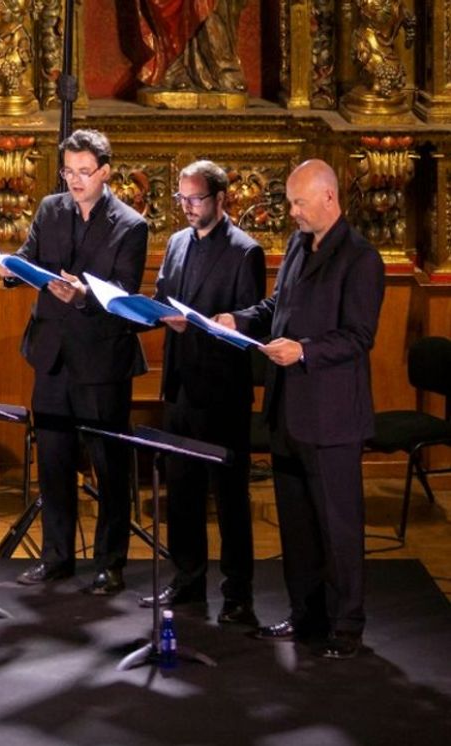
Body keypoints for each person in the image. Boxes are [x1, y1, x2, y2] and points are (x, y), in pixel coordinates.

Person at [216, 159, 385, 659]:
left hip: (332, 417)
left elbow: (359, 337)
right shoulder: (295, 244)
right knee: (297, 525)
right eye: (290, 202)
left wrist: (304, 351)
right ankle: (306, 614)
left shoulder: (360, 259)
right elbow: (277, 309)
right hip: (288, 409)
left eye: (299, 202)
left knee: (337, 526)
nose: (291, 212)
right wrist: (239, 320)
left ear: (329, 198)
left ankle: (346, 626)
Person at [0, 129, 149, 594]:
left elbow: (123, 294)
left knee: (109, 465)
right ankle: (56, 557)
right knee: (55, 463)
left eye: (84, 172)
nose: (75, 180)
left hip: (101, 360)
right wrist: (10, 268)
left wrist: (82, 296)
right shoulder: (51, 208)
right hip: (52, 356)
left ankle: (110, 563)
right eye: (68, 171)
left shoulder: (130, 225)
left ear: (104, 172)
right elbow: (29, 256)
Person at [145, 160, 264, 624]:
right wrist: (154, 313)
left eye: (196, 199)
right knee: (183, 492)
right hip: (179, 385)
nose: (188, 208)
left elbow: (252, 314)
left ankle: (238, 594)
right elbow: (164, 293)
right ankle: (187, 580)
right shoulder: (176, 243)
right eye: (182, 199)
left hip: (221, 389)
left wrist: (223, 322)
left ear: (220, 199)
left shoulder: (244, 250)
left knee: (230, 497)